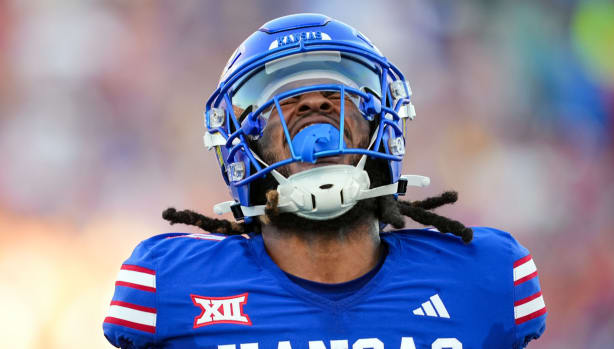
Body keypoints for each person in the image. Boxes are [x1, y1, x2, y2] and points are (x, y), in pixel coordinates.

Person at [103, 13, 546, 348]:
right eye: (286, 101)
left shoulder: (484, 277)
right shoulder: (172, 287)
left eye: (337, 96)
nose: (314, 103)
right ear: (244, 150)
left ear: (380, 130)